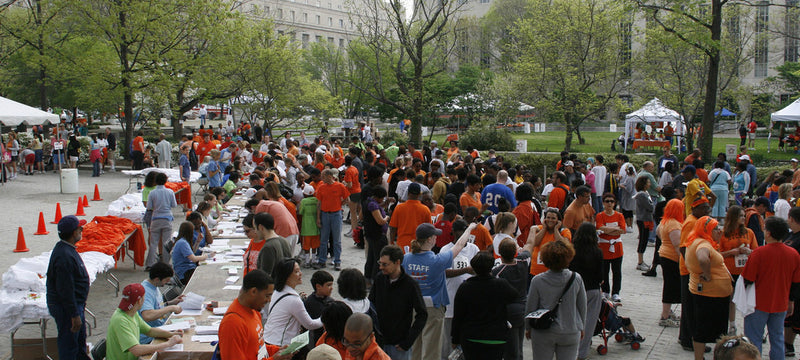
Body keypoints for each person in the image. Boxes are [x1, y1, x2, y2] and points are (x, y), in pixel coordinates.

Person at [405, 222, 475, 360]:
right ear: (430, 239)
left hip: (412, 306)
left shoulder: (406, 258)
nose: (436, 238)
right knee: (431, 349)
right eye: (434, 236)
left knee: (414, 347)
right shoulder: (437, 260)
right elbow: (459, 246)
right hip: (433, 308)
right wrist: (470, 228)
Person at [742, 217, 800, 360]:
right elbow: (796, 282)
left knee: (754, 340)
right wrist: (791, 301)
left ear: (768, 233)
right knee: (778, 339)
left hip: (758, 303)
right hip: (781, 303)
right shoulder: (794, 254)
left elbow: (748, 279)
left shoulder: (758, 253)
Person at [525, 240, 587, 360]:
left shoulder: (537, 281)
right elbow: (582, 306)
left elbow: (531, 306)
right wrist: (582, 326)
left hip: (544, 331)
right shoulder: (576, 278)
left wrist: (528, 328)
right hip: (570, 330)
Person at [452, 251, 518, 360]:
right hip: (496, 336)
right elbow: (514, 296)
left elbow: (458, 315)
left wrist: (455, 339)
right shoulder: (501, 284)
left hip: (471, 337)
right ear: (492, 266)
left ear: (473, 267)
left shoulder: (465, 287)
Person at [685, 216, 732, 360]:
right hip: (710, 295)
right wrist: (708, 275)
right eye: (716, 229)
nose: (720, 231)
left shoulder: (698, 241)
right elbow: (703, 258)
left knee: (701, 328)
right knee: (704, 329)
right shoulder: (703, 244)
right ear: (707, 230)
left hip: (709, 293)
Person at [219, 269, 292, 360]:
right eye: (267, 295)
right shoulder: (232, 324)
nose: (269, 300)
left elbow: (257, 348)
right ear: (253, 291)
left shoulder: (254, 311)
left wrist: (277, 351)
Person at [369, 245, 427, 359]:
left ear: (397, 262)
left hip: (398, 346)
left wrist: (408, 342)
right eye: (379, 263)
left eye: (385, 264)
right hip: (378, 342)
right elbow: (371, 305)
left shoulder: (410, 285)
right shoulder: (379, 279)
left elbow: (422, 314)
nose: (380, 267)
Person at [47, 215, 90, 360]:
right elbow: (65, 289)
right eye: (80, 228)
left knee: (78, 345)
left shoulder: (67, 249)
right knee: (69, 346)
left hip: (74, 306)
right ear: (74, 232)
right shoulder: (64, 256)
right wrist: (74, 315)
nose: (82, 231)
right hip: (67, 309)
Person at [106, 283, 184, 360]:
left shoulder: (132, 312)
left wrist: (171, 334)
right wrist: (167, 344)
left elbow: (149, 331)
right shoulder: (120, 320)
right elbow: (136, 350)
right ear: (140, 301)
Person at [718, 205, 758, 334]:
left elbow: (756, 252)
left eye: (744, 216)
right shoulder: (723, 233)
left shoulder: (749, 232)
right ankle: (732, 325)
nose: (743, 218)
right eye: (741, 216)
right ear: (733, 217)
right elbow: (718, 253)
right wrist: (731, 252)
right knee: (730, 299)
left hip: (745, 271)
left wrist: (748, 251)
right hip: (729, 271)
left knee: (749, 299)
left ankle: (753, 328)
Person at [264, 259, 323, 346]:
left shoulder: (277, 292)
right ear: (287, 276)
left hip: (268, 338)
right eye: (296, 271)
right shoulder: (294, 300)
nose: (300, 273)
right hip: (279, 344)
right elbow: (310, 324)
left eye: (299, 270)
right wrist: (324, 318)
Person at [569, 222, 604, 360]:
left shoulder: (572, 250)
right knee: (588, 323)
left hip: (573, 289)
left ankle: (568, 349)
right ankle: (581, 353)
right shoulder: (597, 252)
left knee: (571, 319)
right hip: (592, 290)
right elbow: (601, 276)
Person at [139, 263, 184, 344]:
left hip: (160, 328)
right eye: (166, 280)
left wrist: (170, 303)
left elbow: (157, 306)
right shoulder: (146, 291)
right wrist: (170, 308)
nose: (167, 283)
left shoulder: (154, 286)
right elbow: (147, 315)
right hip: (149, 337)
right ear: (157, 279)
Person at [657, 199, 684, 328]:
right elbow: (678, 245)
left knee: (669, 285)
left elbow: (658, 232)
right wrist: (684, 261)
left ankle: (667, 312)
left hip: (664, 254)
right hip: (671, 258)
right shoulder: (674, 224)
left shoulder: (664, 221)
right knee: (670, 286)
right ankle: (665, 316)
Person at [315, 168, 349, 270]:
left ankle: (337, 261)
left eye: (323, 176)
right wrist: (318, 218)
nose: (322, 178)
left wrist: (339, 205)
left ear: (329, 176)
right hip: (325, 214)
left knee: (336, 239)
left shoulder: (339, 186)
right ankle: (322, 261)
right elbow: (319, 203)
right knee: (323, 239)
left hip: (336, 214)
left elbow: (347, 199)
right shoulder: (321, 187)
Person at [528, 208, 572, 277]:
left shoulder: (564, 231)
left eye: (553, 218)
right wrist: (544, 229)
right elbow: (535, 243)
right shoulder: (540, 229)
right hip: (536, 271)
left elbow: (563, 245)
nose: (550, 220)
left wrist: (556, 229)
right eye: (548, 217)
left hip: (554, 271)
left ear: (558, 220)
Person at [389, 182, 432, 253]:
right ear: (419, 194)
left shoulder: (399, 208)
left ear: (408, 193)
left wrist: (391, 242)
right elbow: (429, 230)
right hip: (419, 247)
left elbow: (393, 228)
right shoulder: (425, 209)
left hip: (402, 246)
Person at [146, 172, 177, 267]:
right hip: (167, 218)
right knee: (166, 242)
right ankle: (165, 263)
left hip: (155, 218)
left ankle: (150, 263)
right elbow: (174, 205)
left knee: (153, 242)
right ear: (165, 181)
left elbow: (149, 207)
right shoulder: (170, 192)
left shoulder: (152, 193)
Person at [363, 187, 389, 280]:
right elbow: (380, 221)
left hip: (371, 234)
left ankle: (368, 278)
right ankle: (375, 279)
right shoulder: (373, 205)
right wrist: (387, 218)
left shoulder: (368, 203)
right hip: (377, 235)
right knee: (377, 259)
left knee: (371, 257)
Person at [305, 270, 334, 350]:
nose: (331, 288)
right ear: (318, 286)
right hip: (314, 342)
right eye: (328, 285)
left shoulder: (331, 301)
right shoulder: (310, 303)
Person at [634, 176, 654, 272]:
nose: (649, 184)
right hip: (643, 219)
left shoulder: (645, 193)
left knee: (644, 239)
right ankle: (640, 262)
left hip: (645, 218)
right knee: (643, 240)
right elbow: (650, 207)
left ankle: (641, 261)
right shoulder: (642, 195)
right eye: (648, 182)